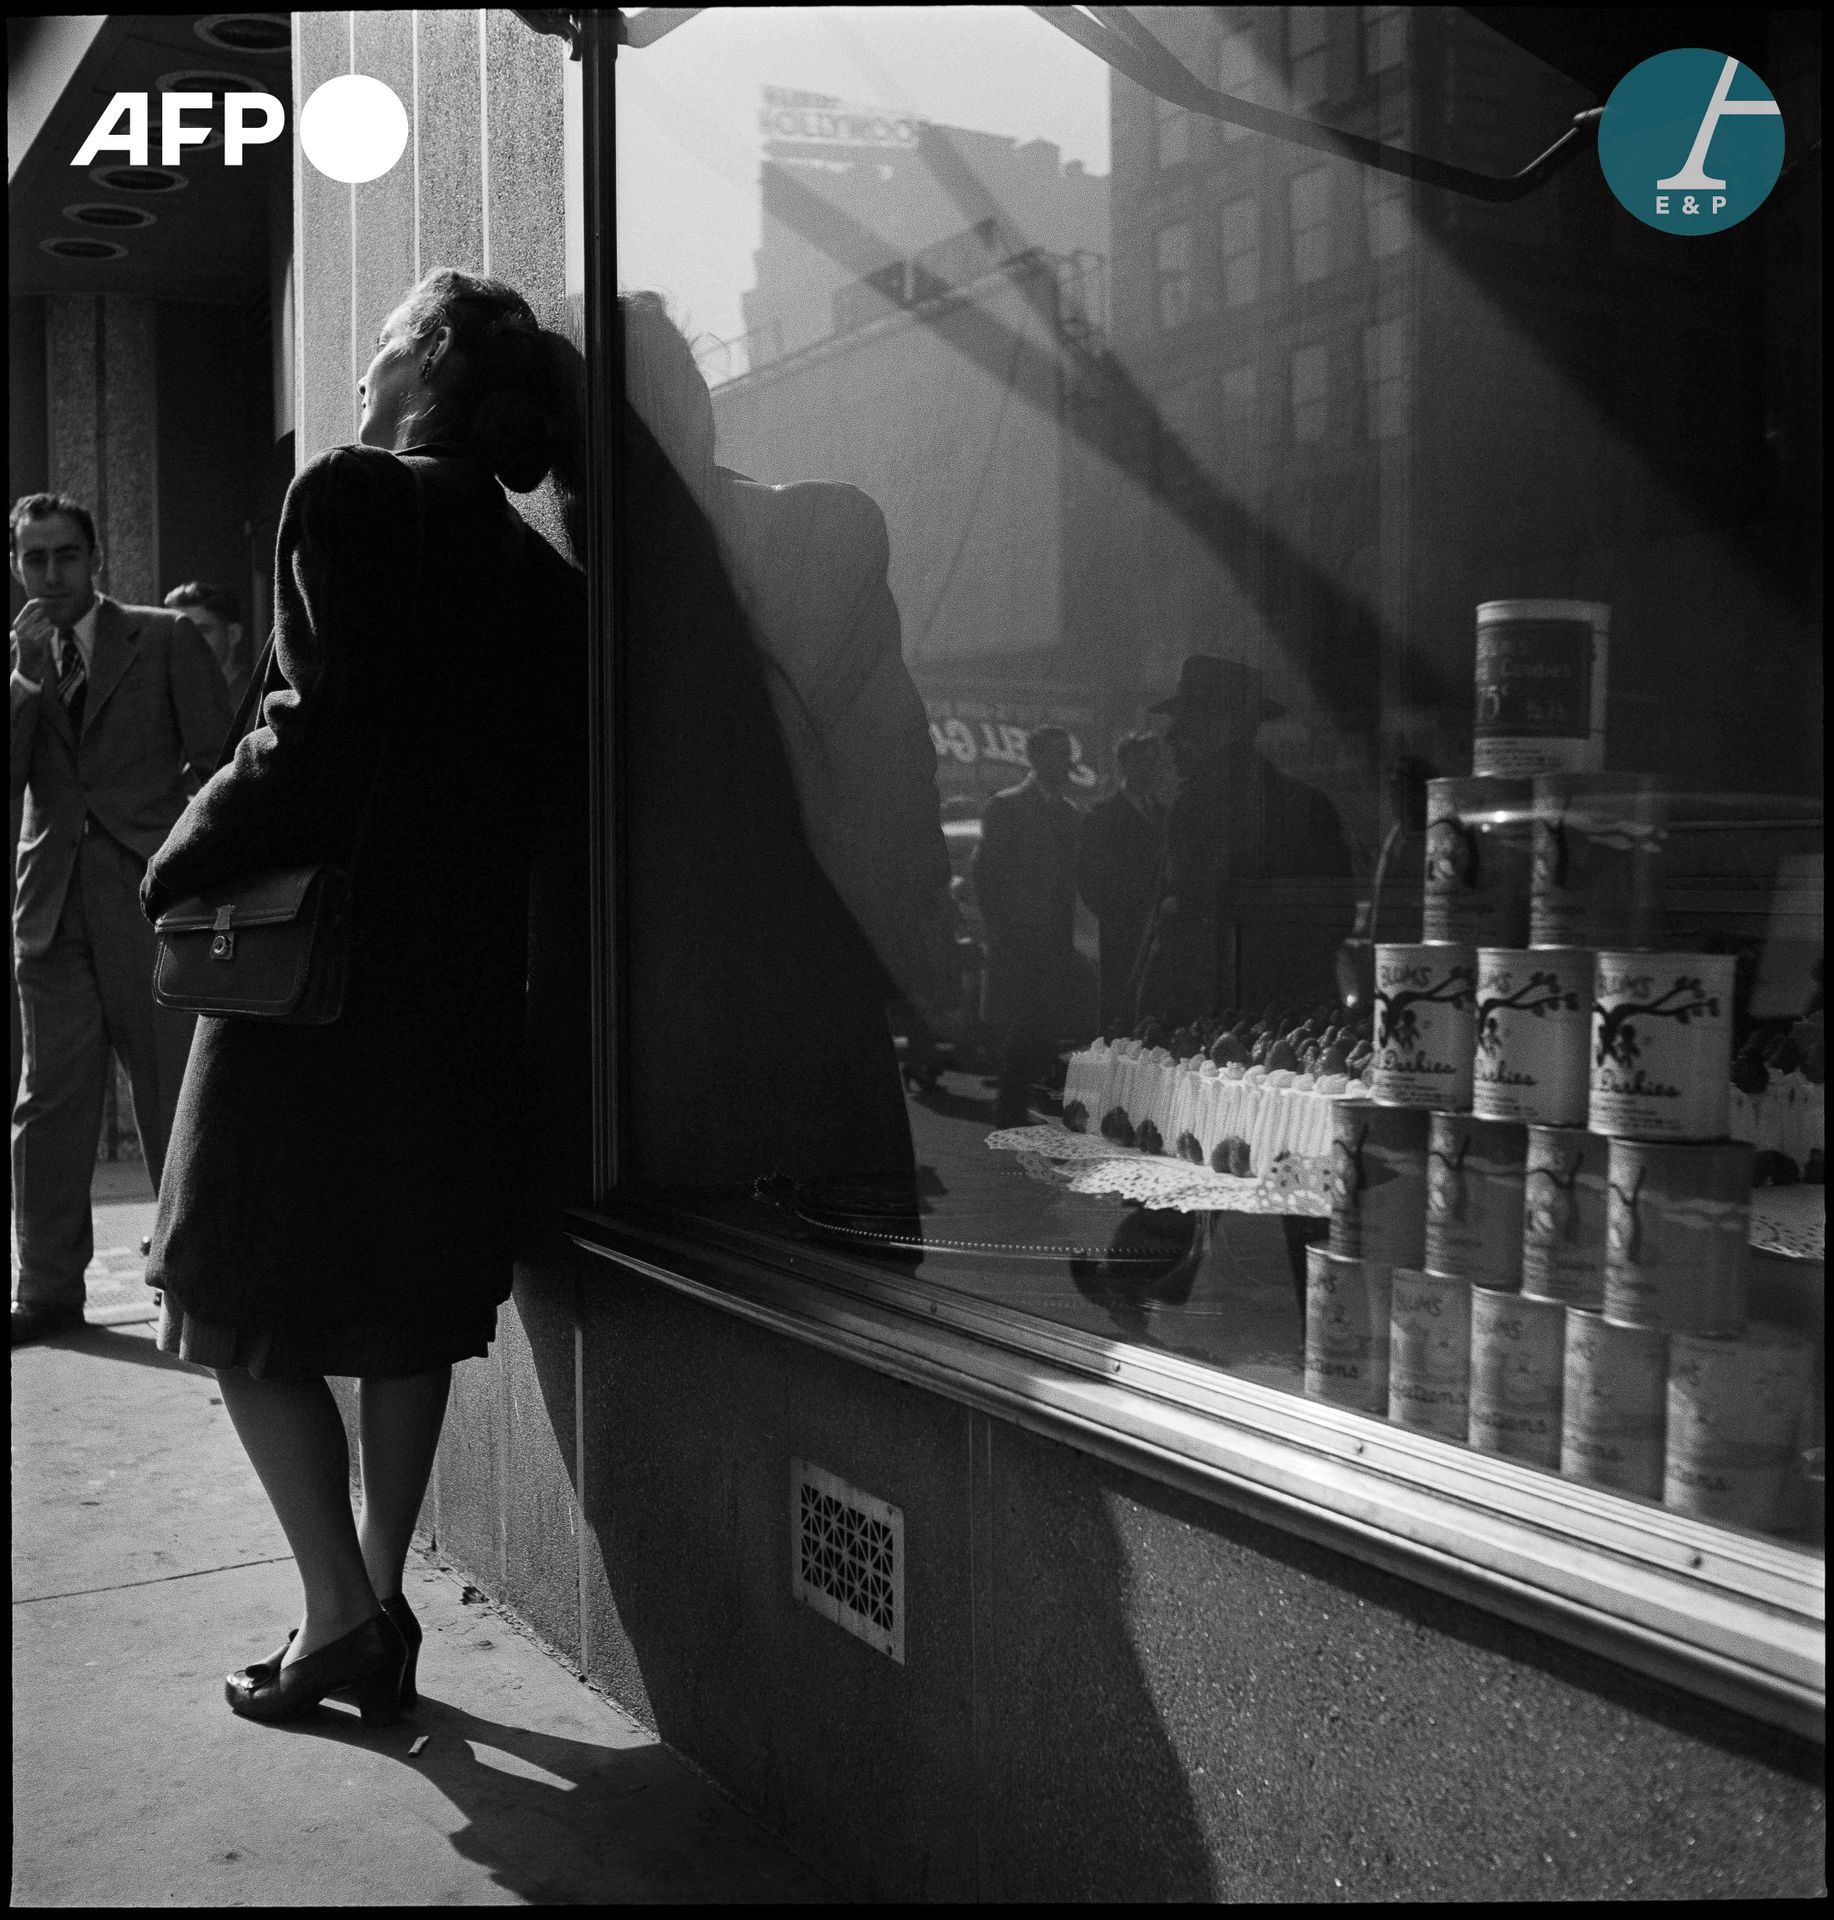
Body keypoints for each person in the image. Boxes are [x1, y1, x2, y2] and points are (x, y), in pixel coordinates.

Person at [136, 268, 586, 1726]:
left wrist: (183, 855)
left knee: (218, 1290)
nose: (367, 359)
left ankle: (336, 1615)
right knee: (403, 1304)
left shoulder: (352, 494)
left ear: (433, 360)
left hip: (311, 987)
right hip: (457, 1000)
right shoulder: (544, 574)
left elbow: (305, 729)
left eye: (389, 335)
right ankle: (378, 1600)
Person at [619, 292, 957, 1195]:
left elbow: (895, 778)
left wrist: (920, 968)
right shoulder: (599, 575)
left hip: (752, 1021)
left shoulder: (809, 539)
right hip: (707, 1040)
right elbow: (898, 776)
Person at [9, 492, 232, 1345]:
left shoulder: (164, 637)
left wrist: (182, 863)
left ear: (95, 557)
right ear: (16, 566)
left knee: (172, 1090)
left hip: (150, 897)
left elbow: (217, 764)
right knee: (50, 1102)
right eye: (36, 559)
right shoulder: (20, 664)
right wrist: (26, 683)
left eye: (67, 555)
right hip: (52, 907)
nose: (53, 574)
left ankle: (190, 1282)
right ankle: (47, 1289)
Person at [1132, 653, 1349, 1027]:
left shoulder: (1290, 809)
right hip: (1234, 1025)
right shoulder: (1195, 807)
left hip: (1238, 1028)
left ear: (1225, 727)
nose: (1171, 737)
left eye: (1187, 724)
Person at [972, 726, 1092, 1127]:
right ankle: (1009, 1108)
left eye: (1068, 754)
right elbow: (986, 874)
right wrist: (1001, 930)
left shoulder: (1070, 813)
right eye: (1058, 754)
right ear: (1035, 758)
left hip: (1055, 938)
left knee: (1045, 1025)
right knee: (1024, 1023)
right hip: (1019, 937)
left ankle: (1017, 1102)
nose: (1066, 763)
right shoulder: (1006, 806)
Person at [1078, 732, 1167, 1035]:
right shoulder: (1103, 815)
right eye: (1139, 762)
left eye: (1151, 763)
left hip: (1155, 922)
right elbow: (1088, 873)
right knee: (1118, 995)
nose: (1147, 770)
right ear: (1124, 766)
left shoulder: (1163, 813)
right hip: (1121, 923)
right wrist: (1113, 910)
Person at [164, 580, 252, 708]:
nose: (188, 640)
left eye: (202, 631)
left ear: (233, 635)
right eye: (178, 632)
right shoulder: (166, 702)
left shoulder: (257, 700)